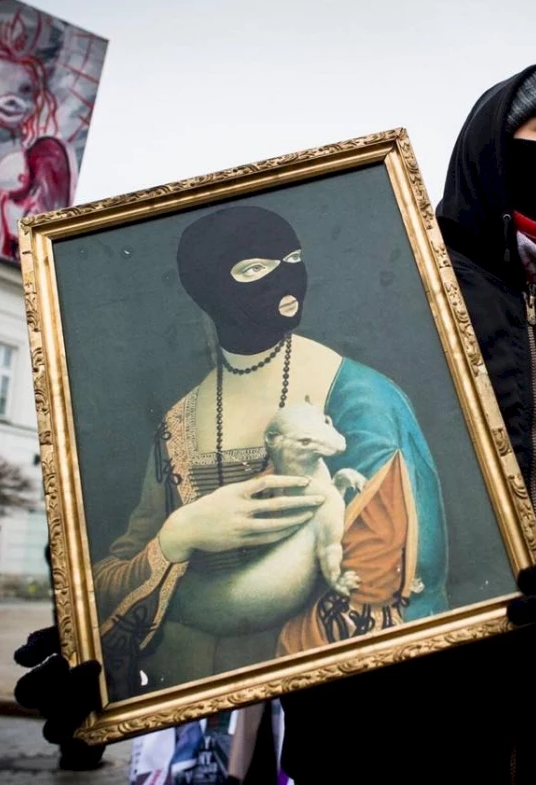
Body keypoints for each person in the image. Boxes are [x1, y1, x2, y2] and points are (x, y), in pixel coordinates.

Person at [14, 63, 536, 783]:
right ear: (492, 149)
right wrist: (104, 645)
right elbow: (179, 494)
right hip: (379, 739)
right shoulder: (386, 310)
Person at [88, 204, 449, 701]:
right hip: (189, 693)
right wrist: (180, 535)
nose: (284, 280)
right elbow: (111, 577)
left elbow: (391, 584)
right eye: (253, 270)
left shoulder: (360, 399)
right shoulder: (178, 422)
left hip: (326, 697)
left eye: (292, 258)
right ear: (207, 287)